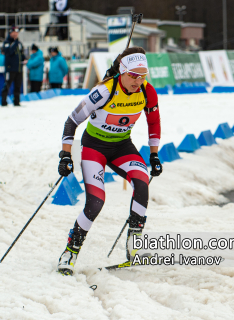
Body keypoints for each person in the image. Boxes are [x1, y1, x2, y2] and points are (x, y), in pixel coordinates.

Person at [56, 47, 163, 276]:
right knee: (96, 202)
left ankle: (134, 246)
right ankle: (70, 252)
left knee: (142, 183)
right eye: (133, 75)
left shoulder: (147, 91)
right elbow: (71, 121)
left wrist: (153, 154)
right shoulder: (104, 91)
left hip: (122, 147)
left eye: (142, 75)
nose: (138, 80)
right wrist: (65, 155)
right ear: (122, 72)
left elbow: (154, 123)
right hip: (95, 148)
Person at [1, 26, 25, 107]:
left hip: (19, 68)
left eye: (17, 33)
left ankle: (17, 102)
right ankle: (4, 101)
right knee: (7, 85)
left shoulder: (19, 43)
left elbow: (21, 54)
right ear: (10, 33)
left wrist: (24, 59)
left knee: (18, 86)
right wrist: (15, 43)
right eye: (14, 32)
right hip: (10, 69)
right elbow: (9, 53)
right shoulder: (7, 43)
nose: (15, 34)